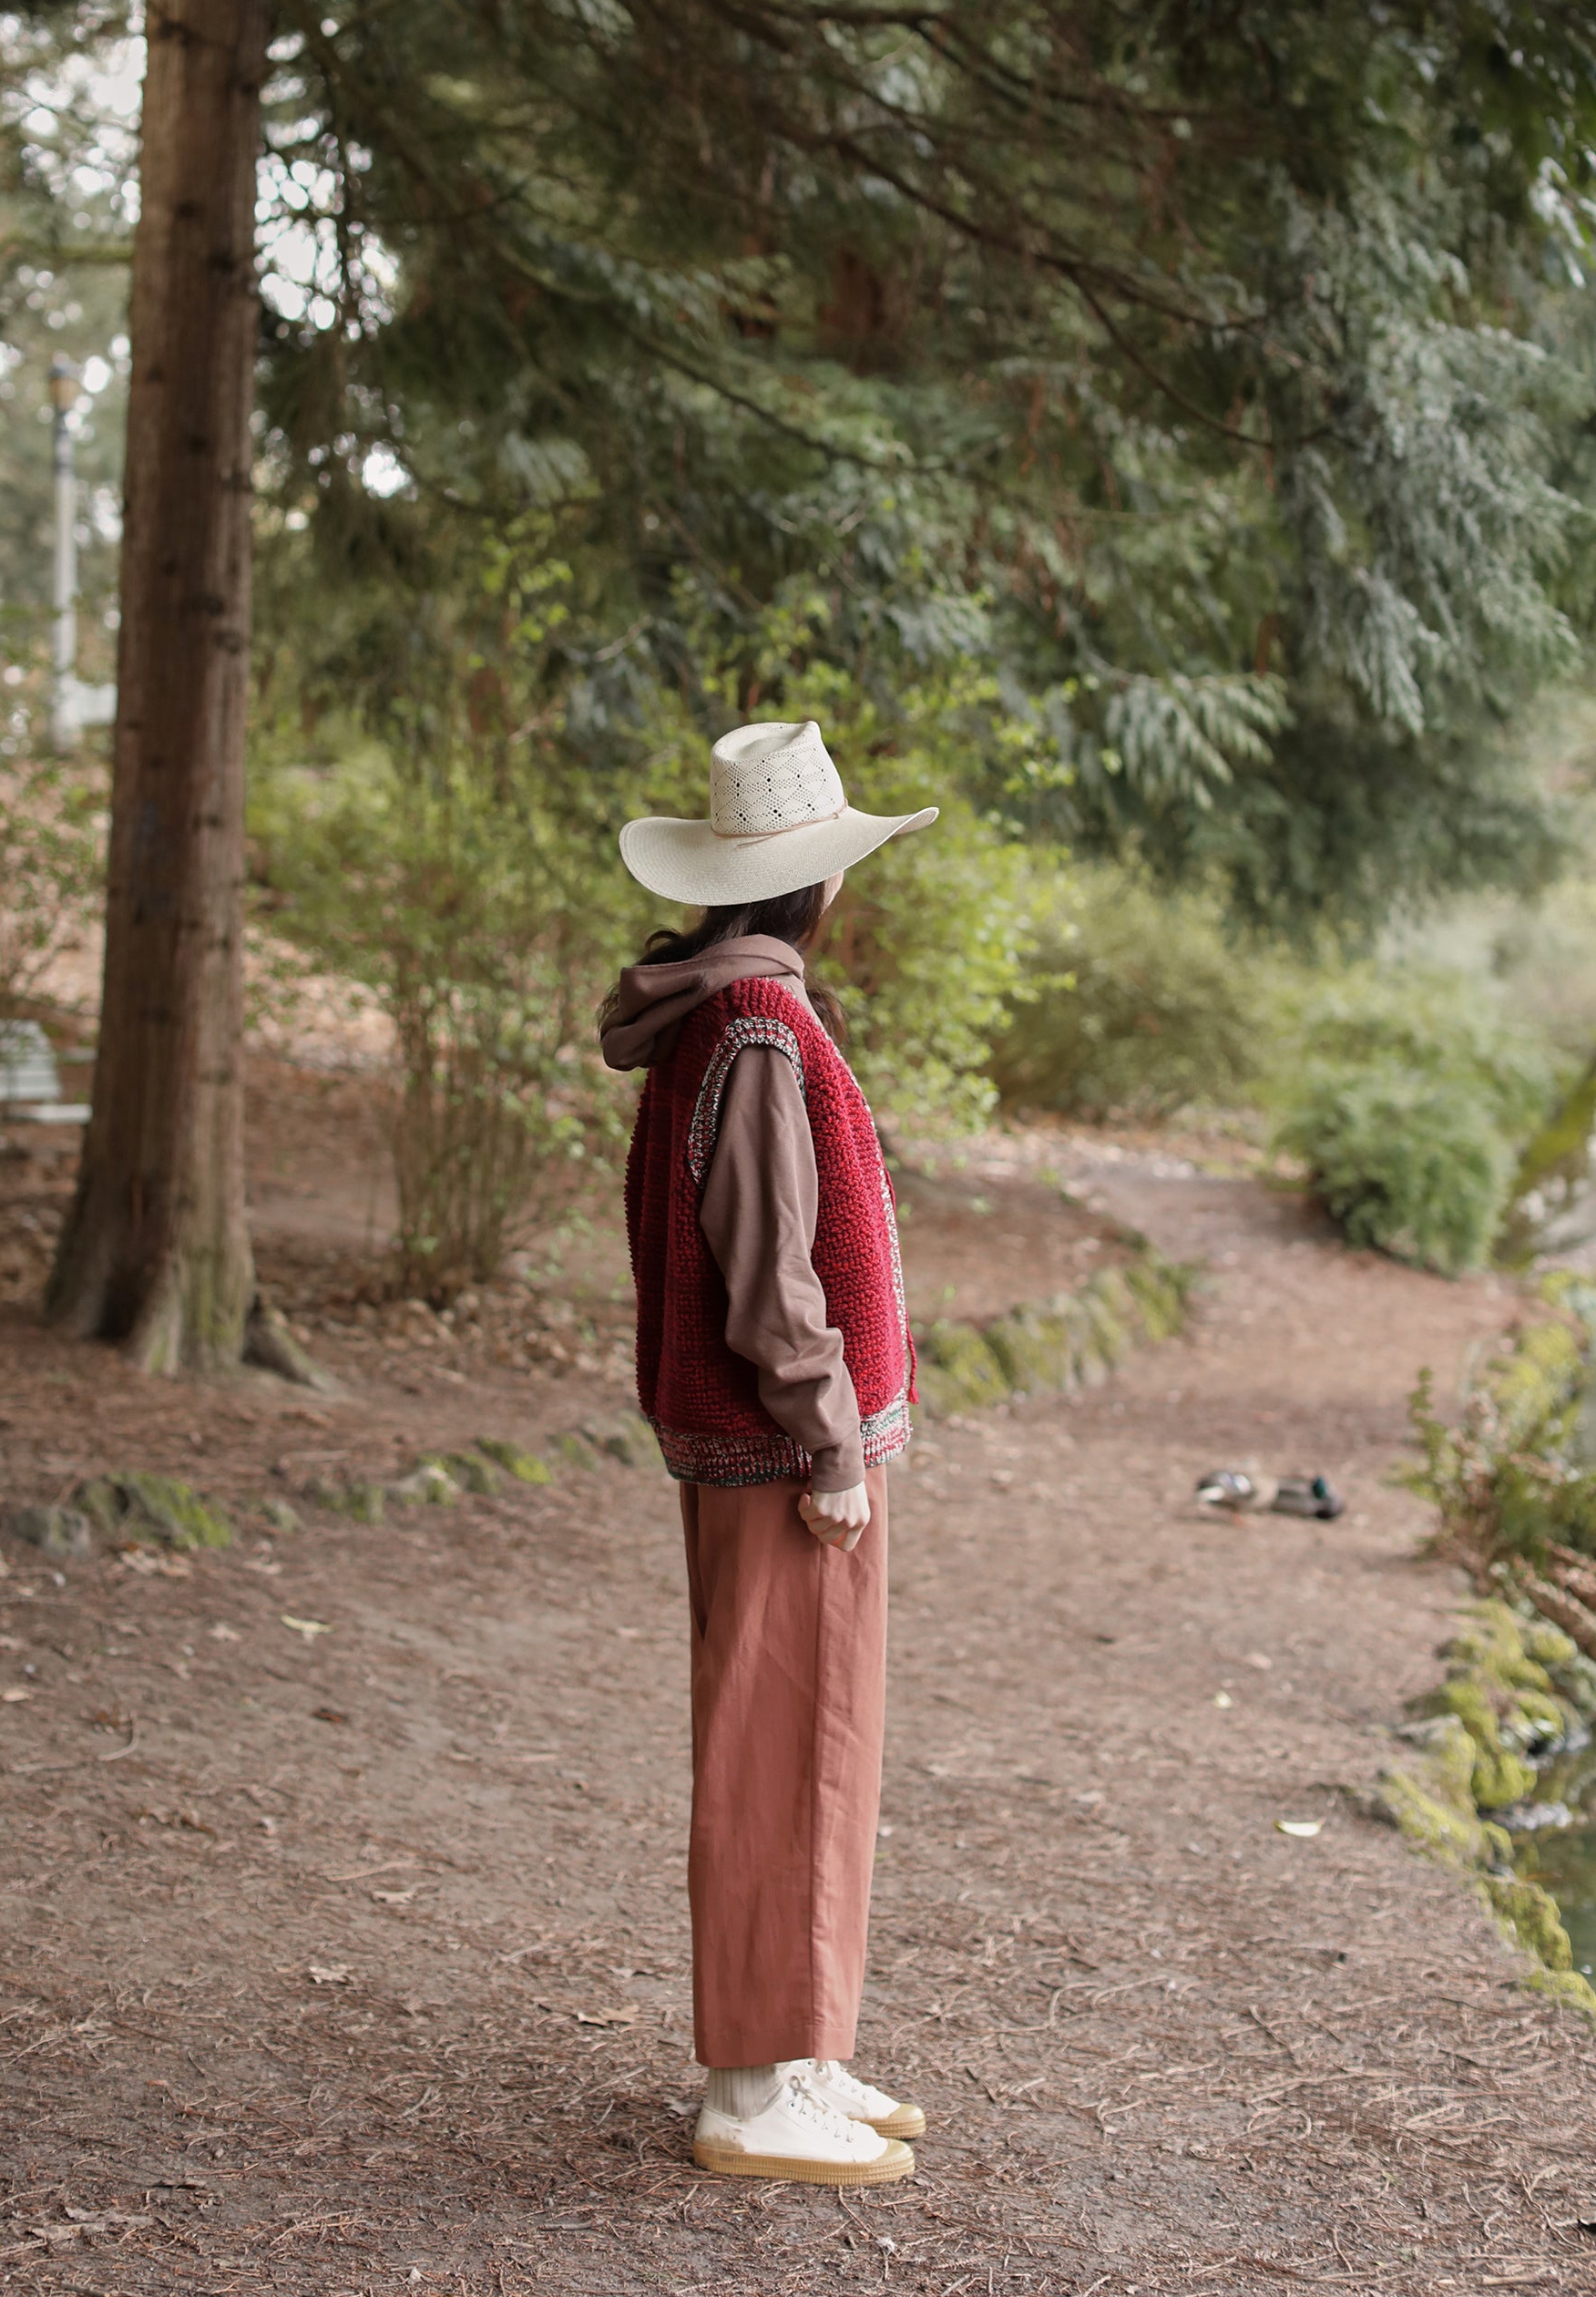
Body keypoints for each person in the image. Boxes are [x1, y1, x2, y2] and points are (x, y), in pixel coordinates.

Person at [599, 718, 937, 2188]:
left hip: (781, 1448)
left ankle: (800, 2048)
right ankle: (749, 2087)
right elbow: (767, 1273)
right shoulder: (754, 1029)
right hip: (778, 1454)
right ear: (813, 889)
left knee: (819, 1747)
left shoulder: (735, 1014)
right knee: (776, 1752)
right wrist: (827, 1438)